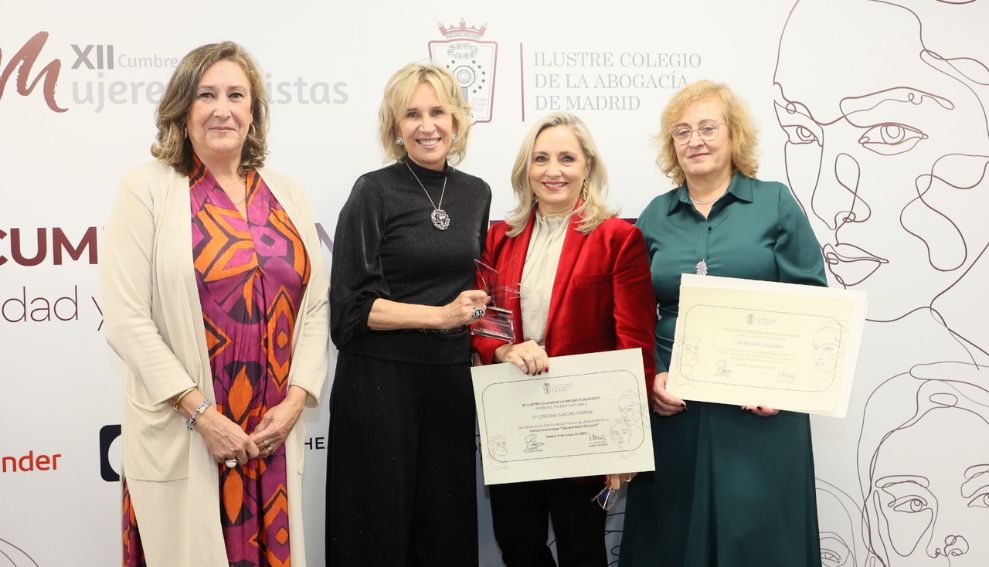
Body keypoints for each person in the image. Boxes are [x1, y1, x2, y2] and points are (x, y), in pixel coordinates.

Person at [101, 42, 329, 567]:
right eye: (206, 95)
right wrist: (201, 414)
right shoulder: (147, 189)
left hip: (268, 436)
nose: (222, 108)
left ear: (254, 112)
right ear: (183, 109)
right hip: (189, 433)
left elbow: (315, 308)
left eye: (236, 94)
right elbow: (126, 320)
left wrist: (296, 401)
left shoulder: (286, 191)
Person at [619, 80, 827, 567]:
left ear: (734, 135)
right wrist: (649, 378)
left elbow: (812, 305)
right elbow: (630, 312)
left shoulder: (775, 202)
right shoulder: (655, 214)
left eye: (708, 127)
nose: (696, 140)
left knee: (759, 540)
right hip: (675, 406)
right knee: (671, 535)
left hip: (761, 410)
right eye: (682, 131)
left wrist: (784, 387)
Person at [472, 112, 656, 567]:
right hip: (514, 422)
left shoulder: (618, 239)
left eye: (567, 158)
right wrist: (504, 349)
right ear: (526, 170)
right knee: (518, 548)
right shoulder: (498, 238)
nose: (553, 171)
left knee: (581, 551)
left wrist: (625, 442)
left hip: (584, 430)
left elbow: (633, 344)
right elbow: (483, 324)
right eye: (541, 159)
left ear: (587, 168)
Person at [326, 63, 492, 566]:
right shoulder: (373, 191)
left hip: (449, 385)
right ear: (394, 127)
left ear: (458, 120)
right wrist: (441, 317)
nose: (427, 126)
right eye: (412, 114)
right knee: (376, 530)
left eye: (438, 111)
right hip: (380, 386)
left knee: (446, 532)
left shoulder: (476, 193)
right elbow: (351, 310)